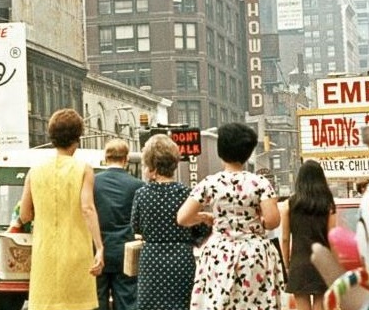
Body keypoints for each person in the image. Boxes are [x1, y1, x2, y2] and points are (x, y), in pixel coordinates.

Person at [177, 122, 285, 310]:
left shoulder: (210, 183)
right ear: (248, 153)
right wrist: (257, 220)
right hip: (254, 255)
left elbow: (183, 218)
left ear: (221, 151)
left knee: (218, 303)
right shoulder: (260, 183)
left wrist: (204, 217)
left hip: (220, 253)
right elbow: (273, 220)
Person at [18, 108, 104, 310]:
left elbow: (24, 214)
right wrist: (99, 247)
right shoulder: (83, 169)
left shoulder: (34, 172)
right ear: (77, 138)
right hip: (76, 254)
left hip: (44, 256)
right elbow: (87, 208)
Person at [131, 134, 210, 310]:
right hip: (181, 259)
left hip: (152, 261)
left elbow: (135, 226)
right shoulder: (185, 193)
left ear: (151, 164)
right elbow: (202, 229)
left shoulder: (142, 194)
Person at [94, 139, 144, 310]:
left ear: (105, 158)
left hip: (97, 251)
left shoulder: (93, 183)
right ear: (126, 159)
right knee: (126, 302)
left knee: (97, 301)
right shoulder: (137, 186)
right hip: (126, 252)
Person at [281, 160, 336, 310]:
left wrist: (286, 265)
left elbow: (285, 239)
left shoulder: (289, 204)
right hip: (322, 262)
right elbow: (332, 238)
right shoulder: (328, 204)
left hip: (299, 263)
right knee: (320, 305)